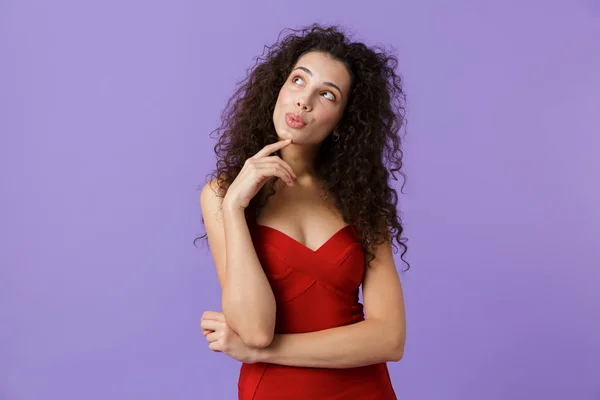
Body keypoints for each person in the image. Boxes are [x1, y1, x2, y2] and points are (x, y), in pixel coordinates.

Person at [196, 23, 409, 399]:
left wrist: (263, 352)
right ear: (277, 89)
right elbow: (256, 329)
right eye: (298, 80)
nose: (304, 101)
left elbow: (390, 338)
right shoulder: (223, 195)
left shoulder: (362, 202)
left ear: (344, 122)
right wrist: (233, 209)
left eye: (327, 94)